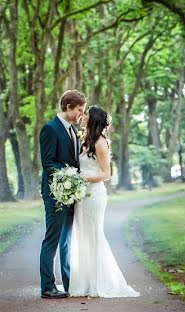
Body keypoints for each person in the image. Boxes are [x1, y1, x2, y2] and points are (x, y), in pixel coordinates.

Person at [68, 105, 140, 298]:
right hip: (81, 196)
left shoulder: (100, 143)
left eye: (86, 114)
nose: (82, 116)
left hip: (94, 195)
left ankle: (99, 282)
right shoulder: (84, 140)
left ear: (93, 119)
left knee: (94, 236)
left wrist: (82, 179)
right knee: (82, 236)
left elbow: (106, 174)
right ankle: (83, 282)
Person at [38, 89, 85, 299]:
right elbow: (48, 163)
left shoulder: (73, 131)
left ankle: (69, 284)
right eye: (79, 110)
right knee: (53, 240)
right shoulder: (50, 129)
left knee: (66, 241)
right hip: (55, 194)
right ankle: (47, 286)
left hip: (70, 194)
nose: (81, 115)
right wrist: (69, 177)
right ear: (68, 107)